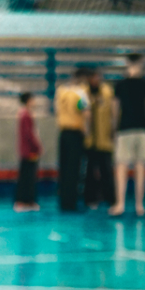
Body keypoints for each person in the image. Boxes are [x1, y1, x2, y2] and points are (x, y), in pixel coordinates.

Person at [110, 53, 145, 216]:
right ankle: (139, 205)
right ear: (141, 63)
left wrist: (113, 129)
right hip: (142, 130)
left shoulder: (120, 85)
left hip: (124, 129)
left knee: (121, 166)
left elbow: (115, 110)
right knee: (140, 167)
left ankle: (120, 204)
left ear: (127, 63)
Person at [54, 67, 91, 212]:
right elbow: (86, 112)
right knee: (74, 169)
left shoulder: (61, 91)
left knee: (63, 168)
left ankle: (63, 201)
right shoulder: (81, 92)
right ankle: (71, 202)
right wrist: (87, 131)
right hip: (76, 133)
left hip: (63, 133)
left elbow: (57, 110)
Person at [83, 67, 116, 209]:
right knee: (90, 171)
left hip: (104, 138)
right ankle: (90, 198)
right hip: (90, 140)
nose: (95, 80)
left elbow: (114, 113)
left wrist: (113, 130)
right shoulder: (84, 92)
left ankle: (110, 198)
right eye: (93, 77)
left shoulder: (108, 92)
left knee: (106, 170)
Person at [14, 92, 42, 211]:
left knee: (27, 176)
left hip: (26, 150)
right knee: (28, 177)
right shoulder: (26, 115)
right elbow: (29, 134)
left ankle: (26, 201)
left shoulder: (24, 114)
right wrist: (37, 147)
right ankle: (25, 201)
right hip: (29, 151)